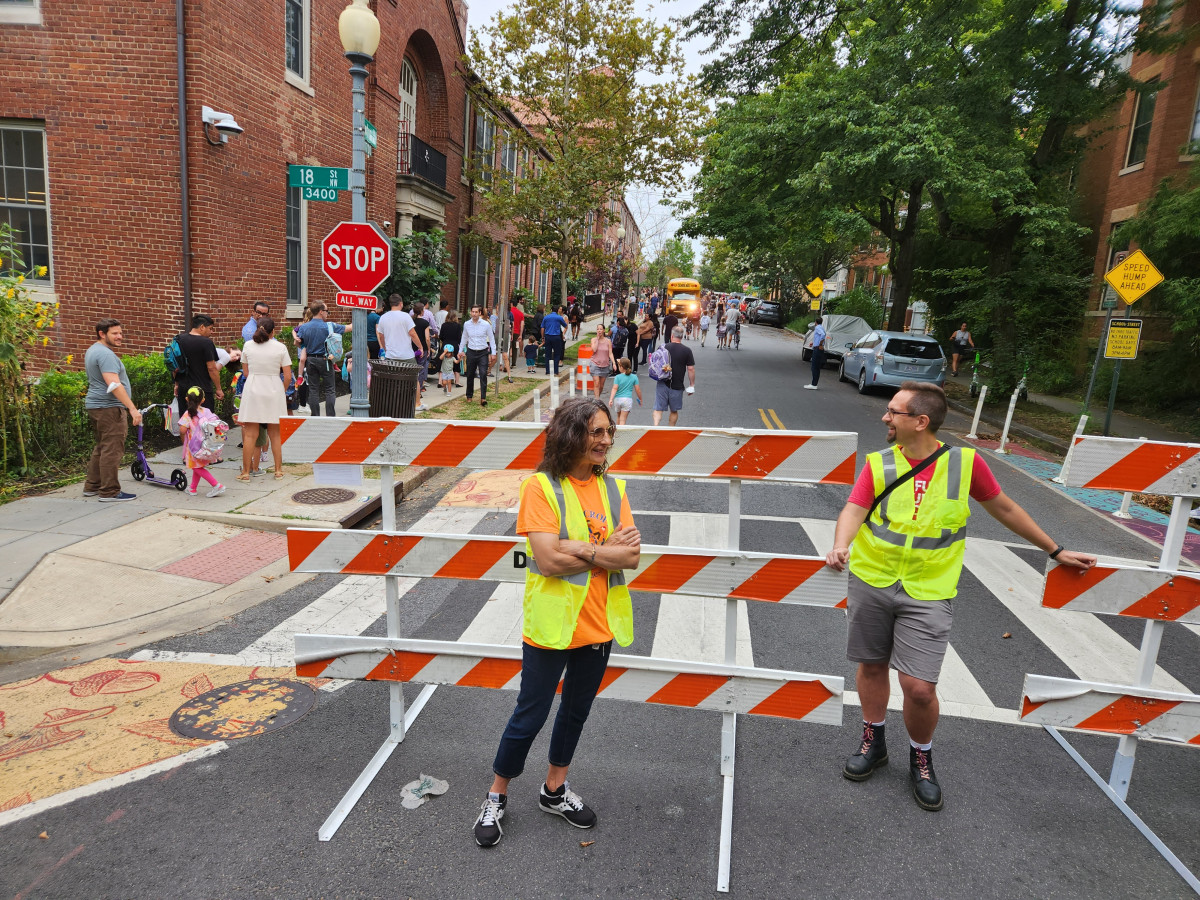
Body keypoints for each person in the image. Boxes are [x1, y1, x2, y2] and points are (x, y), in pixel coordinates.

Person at [824, 383, 1097, 812]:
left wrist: (1055, 550)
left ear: (920, 421)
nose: (884, 417)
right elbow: (854, 510)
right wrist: (841, 543)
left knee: (918, 688)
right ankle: (873, 738)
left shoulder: (965, 463)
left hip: (930, 590)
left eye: (893, 411)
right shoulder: (879, 463)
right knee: (872, 665)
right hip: (872, 579)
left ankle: (921, 755)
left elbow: (1004, 508)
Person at [473, 397, 640, 848]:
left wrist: (580, 547)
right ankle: (497, 794)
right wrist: (596, 551)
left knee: (575, 714)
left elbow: (632, 555)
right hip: (550, 625)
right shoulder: (540, 487)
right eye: (596, 432)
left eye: (608, 432)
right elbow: (546, 561)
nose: (605, 440)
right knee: (531, 713)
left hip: (598, 625)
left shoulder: (613, 489)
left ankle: (554, 790)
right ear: (571, 435)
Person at [83, 318, 142, 501]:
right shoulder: (106, 354)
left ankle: (92, 486)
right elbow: (114, 384)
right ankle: (109, 491)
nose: (119, 337)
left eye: (120, 333)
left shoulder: (93, 350)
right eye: (115, 333)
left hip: (97, 406)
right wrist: (132, 408)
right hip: (108, 408)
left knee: (102, 447)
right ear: (102, 334)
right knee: (112, 449)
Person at [236, 316, 292, 481]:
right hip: (274, 387)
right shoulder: (280, 347)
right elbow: (287, 376)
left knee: (250, 434)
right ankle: (278, 470)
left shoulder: (247, 345)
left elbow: (245, 373)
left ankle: (246, 472)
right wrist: (280, 390)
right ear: (273, 331)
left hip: (253, 388)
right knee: (275, 434)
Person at [296, 302, 351, 417]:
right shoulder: (329, 326)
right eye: (327, 311)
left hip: (310, 360)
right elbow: (349, 328)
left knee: (313, 389)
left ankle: (315, 416)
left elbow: (298, 342)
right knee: (330, 389)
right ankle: (330, 416)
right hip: (326, 360)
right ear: (321, 312)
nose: (327, 314)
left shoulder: (304, 327)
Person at [179, 387, 227, 497]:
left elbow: (182, 430)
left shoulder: (188, 414)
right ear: (203, 400)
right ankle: (192, 488)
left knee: (196, 467)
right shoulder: (207, 411)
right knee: (198, 466)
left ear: (186, 399)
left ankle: (217, 486)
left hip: (194, 447)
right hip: (206, 445)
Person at [174, 314, 223, 413]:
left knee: (186, 421)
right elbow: (212, 368)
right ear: (202, 327)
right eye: (210, 328)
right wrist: (219, 388)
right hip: (202, 389)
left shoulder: (179, 339)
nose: (212, 332)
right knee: (205, 422)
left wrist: (176, 385)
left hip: (184, 389)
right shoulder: (206, 343)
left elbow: (175, 366)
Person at [652, 326, 695, 426]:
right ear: (682, 337)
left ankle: (655, 427)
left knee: (658, 409)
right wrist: (692, 385)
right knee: (674, 410)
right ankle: (670, 430)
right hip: (677, 385)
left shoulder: (663, 347)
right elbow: (690, 369)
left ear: (672, 336)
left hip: (662, 382)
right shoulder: (687, 350)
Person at [460, 304, 497, 406]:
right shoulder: (467, 324)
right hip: (471, 351)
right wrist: (460, 351)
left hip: (483, 352)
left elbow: (492, 339)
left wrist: (493, 352)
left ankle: (483, 397)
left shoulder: (485, 324)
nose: (474, 314)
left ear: (480, 313)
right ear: (471, 312)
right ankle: (469, 395)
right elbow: (464, 337)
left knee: (483, 374)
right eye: (473, 312)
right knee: (470, 374)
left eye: (476, 312)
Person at [607, 357, 641, 424]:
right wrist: (640, 398)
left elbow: (614, 388)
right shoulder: (634, 377)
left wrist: (611, 399)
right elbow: (637, 389)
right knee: (623, 420)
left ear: (621, 367)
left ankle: (617, 433)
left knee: (618, 417)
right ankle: (622, 434)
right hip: (627, 400)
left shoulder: (617, 377)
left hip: (617, 399)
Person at [589, 324, 614, 400]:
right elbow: (594, 349)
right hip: (595, 364)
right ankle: (597, 400)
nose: (599, 330)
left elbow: (610, 353)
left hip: (605, 365)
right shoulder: (593, 340)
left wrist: (614, 363)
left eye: (600, 329)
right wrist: (597, 339)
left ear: (603, 330)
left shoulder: (608, 341)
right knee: (596, 383)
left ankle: (597, 397)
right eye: (598, 329)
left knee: (601, 385)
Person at [541, 305, 567, 375]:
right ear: (558, 310)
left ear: (551, 309)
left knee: (547, 354)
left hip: (548, 336)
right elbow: (565, 325)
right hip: (556, 337)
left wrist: (543, 337)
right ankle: (556, 371)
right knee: (557, 354)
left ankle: (547, 371)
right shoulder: (559, 317)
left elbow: (542, 328)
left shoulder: (546, 317)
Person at [806, 316, 827, 390]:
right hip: (818, 347)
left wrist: (820, 344)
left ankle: (814, 384)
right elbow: (820, 336)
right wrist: (814, 343)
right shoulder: (821, 327)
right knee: (816, 367)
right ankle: (814, 383)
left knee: (814, 367)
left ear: (815, 322)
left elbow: (823, 335)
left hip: (818, 349)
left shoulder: (818, 328)